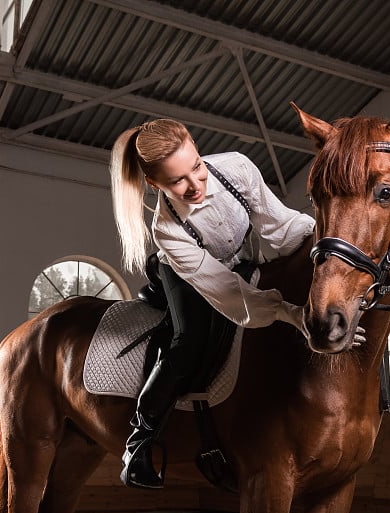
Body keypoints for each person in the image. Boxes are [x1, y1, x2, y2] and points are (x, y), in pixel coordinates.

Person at [110, 118, 315, 489]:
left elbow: (281, 228)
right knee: (189, 341)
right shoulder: (167, 231)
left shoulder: (237, 167)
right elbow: (228, 293)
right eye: (177, 181)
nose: (194, 185)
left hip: (237, 255)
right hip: (188, 271)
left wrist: (325, 241)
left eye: (197, 168)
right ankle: (139, 442)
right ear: (155, 184)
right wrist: (288, 312)